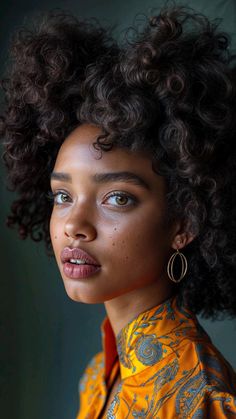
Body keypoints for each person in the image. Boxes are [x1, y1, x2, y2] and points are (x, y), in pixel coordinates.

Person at [1, 3, 236, 418]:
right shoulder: (99, 375)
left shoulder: (199, 396)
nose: (74, 225)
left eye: (117, 198)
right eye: (62, 196)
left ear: (184, 222)